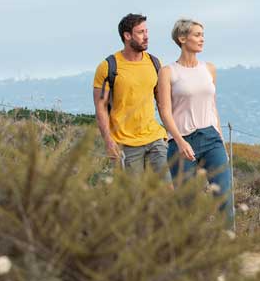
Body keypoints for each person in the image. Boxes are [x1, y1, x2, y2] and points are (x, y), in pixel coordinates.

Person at [156, 17, 235, 227]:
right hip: (181, 140)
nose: (202, 39)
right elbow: (164, 111)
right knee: (186, 203)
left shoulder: (209, 69)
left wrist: (219, 138)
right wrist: (181, 142)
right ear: (182, 38)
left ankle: (227, 246)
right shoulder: (167, 72)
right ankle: (187, 252)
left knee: (224, 197)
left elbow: (212, 106)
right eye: (197, 35)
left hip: (211, 137)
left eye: (203, 35)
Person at [92, 14, 169, 177]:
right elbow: (100, 108)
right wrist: (108, 141)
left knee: (166, 192)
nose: (146, 36)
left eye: (147, 31)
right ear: (127, 36)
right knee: (134, 198)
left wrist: (172, 134)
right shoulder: (108, 67)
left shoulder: (155, 63)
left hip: (155, 138)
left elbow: (162, 103)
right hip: (126, 144)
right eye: (141, 32)